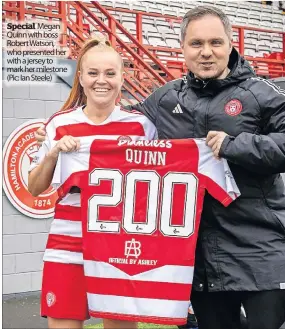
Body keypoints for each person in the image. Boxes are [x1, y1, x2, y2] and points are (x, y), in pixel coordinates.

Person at [35, 5, 285, 329]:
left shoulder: (263, 93)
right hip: (200, 263)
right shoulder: (165, 100)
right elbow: (115, 119)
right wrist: (63, 127)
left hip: (261, 254)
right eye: (196, 44)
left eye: (215, 42)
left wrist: (234, 145)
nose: (206, 52)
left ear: (230, 43)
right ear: (183, 48)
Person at [29, 38, 156, 329]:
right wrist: (53, 152)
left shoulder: (142, 127)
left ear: (123, 77)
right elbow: (34, 188)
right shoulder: (58, 124)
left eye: (110, 73)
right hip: (67, 243)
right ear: (81, 77)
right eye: (94, 73)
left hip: (121, 243)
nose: (102, 81)